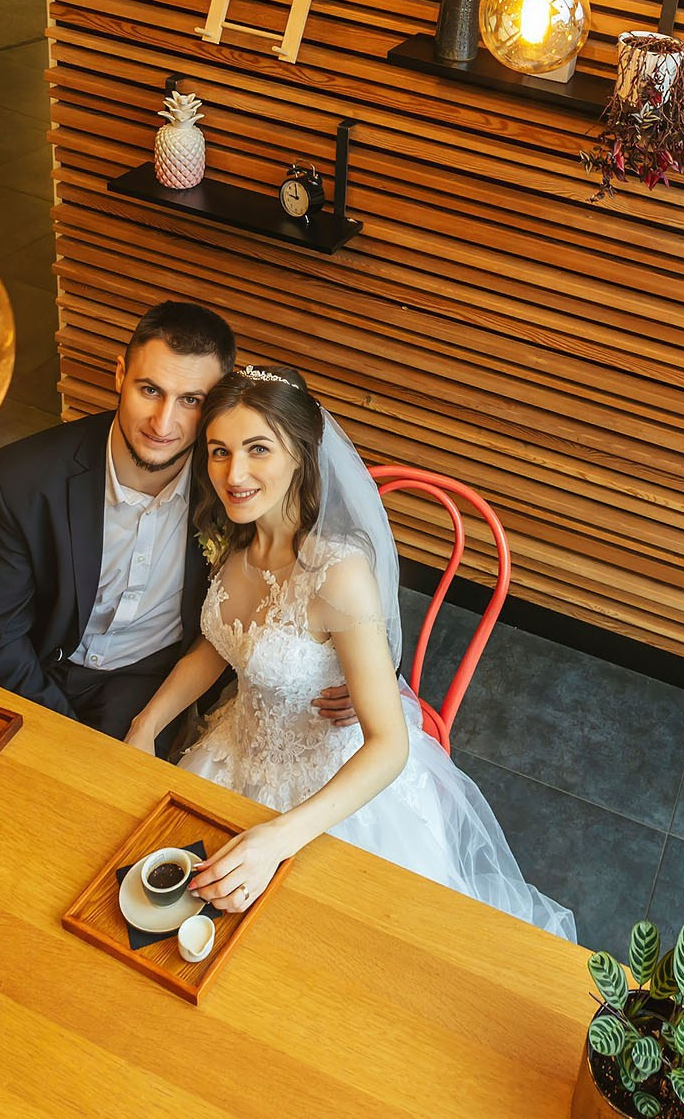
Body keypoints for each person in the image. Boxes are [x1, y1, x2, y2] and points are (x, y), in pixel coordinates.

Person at [123, 364, 574, 939]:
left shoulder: (337, 572)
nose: (233, 474)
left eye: (258, 449)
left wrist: (281, 836)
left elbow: (388, 746)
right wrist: (146, 724)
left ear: (300, 456)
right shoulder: (237, 533)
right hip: (238, 750)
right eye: (218, 451)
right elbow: (218, 646)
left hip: (336, 786)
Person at [0, 301, 356, 739]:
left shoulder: (237, 486)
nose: (163, 423)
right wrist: (66, 737)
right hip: (30, 665)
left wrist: (360, 671)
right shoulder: (23, 475)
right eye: (149, 390)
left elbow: (335, 557)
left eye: (191, 400)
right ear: (119, 376)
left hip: (145, 684)